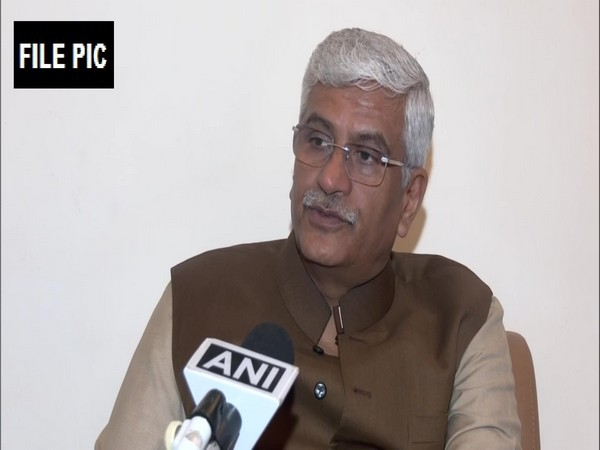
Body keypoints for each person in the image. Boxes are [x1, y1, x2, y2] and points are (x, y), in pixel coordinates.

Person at [96, 28, 521, 449]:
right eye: (317, 141)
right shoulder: (196, 296)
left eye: (366, 156)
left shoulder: (462, 318)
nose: (330, 178)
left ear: (409, 199)